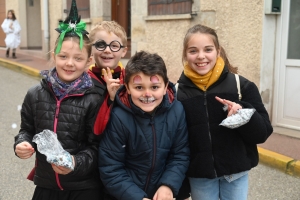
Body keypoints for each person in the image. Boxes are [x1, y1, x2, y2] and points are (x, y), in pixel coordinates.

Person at [13, 1, 103, 199]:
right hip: (46, 186)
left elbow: (98, 147)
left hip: (84, 188)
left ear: (89, 61)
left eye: (78, 58)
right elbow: (26, 131)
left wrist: (75, 162)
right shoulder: (35, 94)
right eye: (63, 56)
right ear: (54, 56)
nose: (69, 63)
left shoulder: (95, 99)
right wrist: (22, 144)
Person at [176, 24, 273, 200]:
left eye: (208, 49)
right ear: (185, 54)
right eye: (193, 51)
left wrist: (243, 115)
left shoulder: (241, 86)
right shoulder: (176, 93)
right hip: (200, 176)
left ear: (218, 51)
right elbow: (174, 140)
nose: (201, 56)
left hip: (235, 174)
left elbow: (263, 133)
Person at [98, 51, 190, 200]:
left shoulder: (177, 112)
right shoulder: (118, 117)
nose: (147, 94)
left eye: (154, 87)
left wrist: (168, 185)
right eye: (139, 87)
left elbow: (180, 155)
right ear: (127, 87)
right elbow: (111, 168)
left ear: (165, 86)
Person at [87, 20, 127, 135]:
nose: (107, 50)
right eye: (100, 45)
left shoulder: (129, 80)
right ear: (91, 49)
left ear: (123, 51)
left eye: (114, 45)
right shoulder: (83, 82)